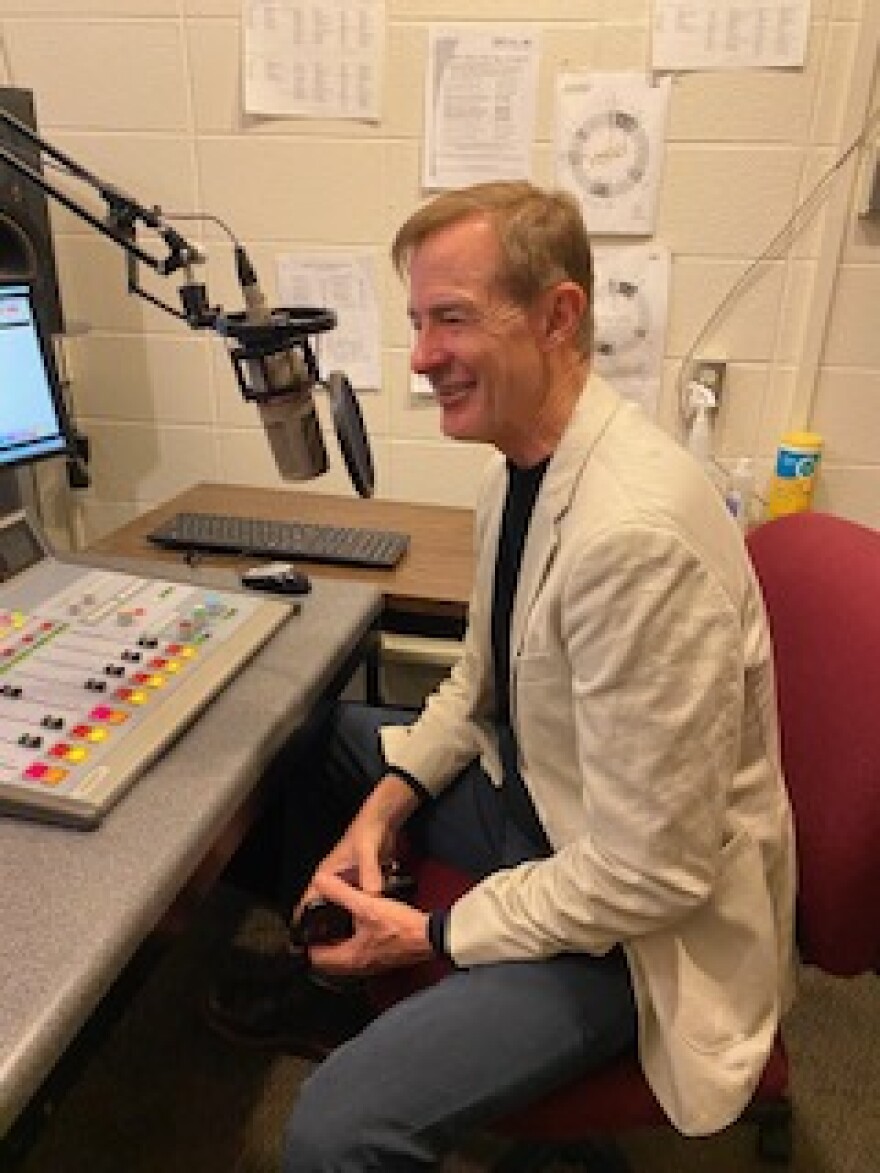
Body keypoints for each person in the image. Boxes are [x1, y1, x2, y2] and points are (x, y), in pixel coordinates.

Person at [207, 181, 796, 1170]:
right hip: (547, 808)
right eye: (417, 322)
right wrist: (382, 808)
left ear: (557, 316)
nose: (422, 356)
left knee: (333, 1130)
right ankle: (326, 987)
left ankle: (390, 1015)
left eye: (452, 320)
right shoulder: (514, 469)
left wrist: (431, 933)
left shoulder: (632, 540)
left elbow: (650, 874)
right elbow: (478, 682)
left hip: (636, 929)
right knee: (326, 744)